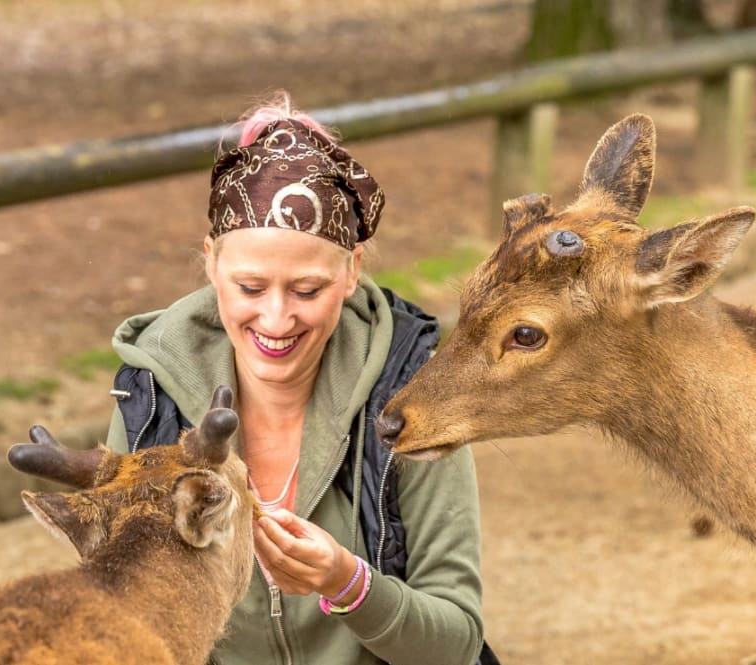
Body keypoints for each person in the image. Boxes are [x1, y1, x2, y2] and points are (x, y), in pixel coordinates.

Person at [102, 91, 492, 665]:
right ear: (211, 262)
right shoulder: (149, 400)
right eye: (250, 288)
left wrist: (351, 586)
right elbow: (116, 622)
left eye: (307, 290)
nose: (277, 319)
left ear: (353, 270)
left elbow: (456, 642)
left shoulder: (411, 395)